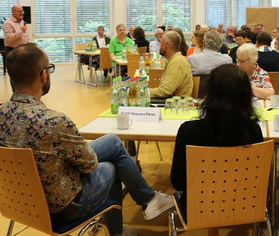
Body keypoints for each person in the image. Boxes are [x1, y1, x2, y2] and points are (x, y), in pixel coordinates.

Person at [0, 43, 174, 236]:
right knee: (113, 164)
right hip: (63, 208)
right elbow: (89, 165)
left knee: (112, 142)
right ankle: (131, 218)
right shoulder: (54, 122)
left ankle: (147, 202)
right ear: (42, 75)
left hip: (18, 201)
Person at [170, 64, 264, 236]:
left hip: (199, 204)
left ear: (209, 93)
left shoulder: (189, 131)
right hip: (244, 202)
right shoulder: (254, 131)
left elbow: (178, 181)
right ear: (246, 96)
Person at [149, 31, 193, 98]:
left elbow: (164, 91)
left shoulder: (176, 62)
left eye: (161, 44)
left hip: (177, 104)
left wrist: (144, 92)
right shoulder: (176, 60)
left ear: (165, 46)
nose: (160, 46)